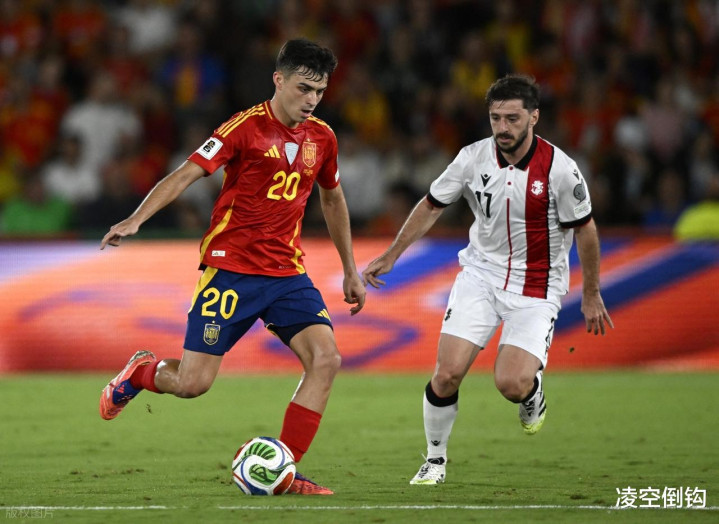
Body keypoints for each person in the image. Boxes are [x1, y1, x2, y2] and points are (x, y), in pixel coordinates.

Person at [98, 38, 366, 495]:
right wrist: (136, 219)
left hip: (286, 274)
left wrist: (350, 268)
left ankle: (282, 468)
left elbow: (333, 198)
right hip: (231, 271)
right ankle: (141, 372)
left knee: (326, 359)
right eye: (303, 89)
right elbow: (186, 173)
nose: (312, 100)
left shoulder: (322, 138)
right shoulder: (245, 128)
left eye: (320, 92)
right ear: (278, 80)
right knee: (192, 384)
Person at [362, 74, 613, 485]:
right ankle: (435, 461)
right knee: (446, 374)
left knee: (511, 383)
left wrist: (591, 292)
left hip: (537, 288)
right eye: (496, 118)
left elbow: (585, 229)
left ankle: (531, 393)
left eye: (513, 118)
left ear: (534, 117)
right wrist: (392, 254)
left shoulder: (561, 170)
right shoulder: (472, 158)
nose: (503, 127)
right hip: (480, 276)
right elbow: (431, 205)